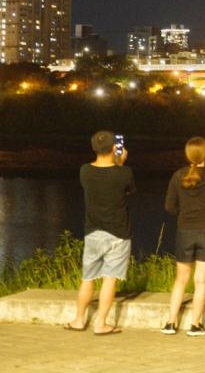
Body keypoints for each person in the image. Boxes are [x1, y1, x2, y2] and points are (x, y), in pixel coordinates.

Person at [64, 130, 135, 335]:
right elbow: (128, 189)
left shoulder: (84, 170)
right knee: (109, 279)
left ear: (94, 148)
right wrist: (120, 163)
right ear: (115, 148)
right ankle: (101, 323)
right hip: (118, 233)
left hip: (92, 231)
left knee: (88, 278)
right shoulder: (124, 172)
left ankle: (79, 319)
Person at [162, 137, 205, 336]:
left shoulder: (177, 176)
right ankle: (195, 325)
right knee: (201, 281)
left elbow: (169, 206)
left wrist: (185, 213)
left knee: (180, 280)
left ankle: (170, 323)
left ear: (188, 155)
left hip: (185, 231)